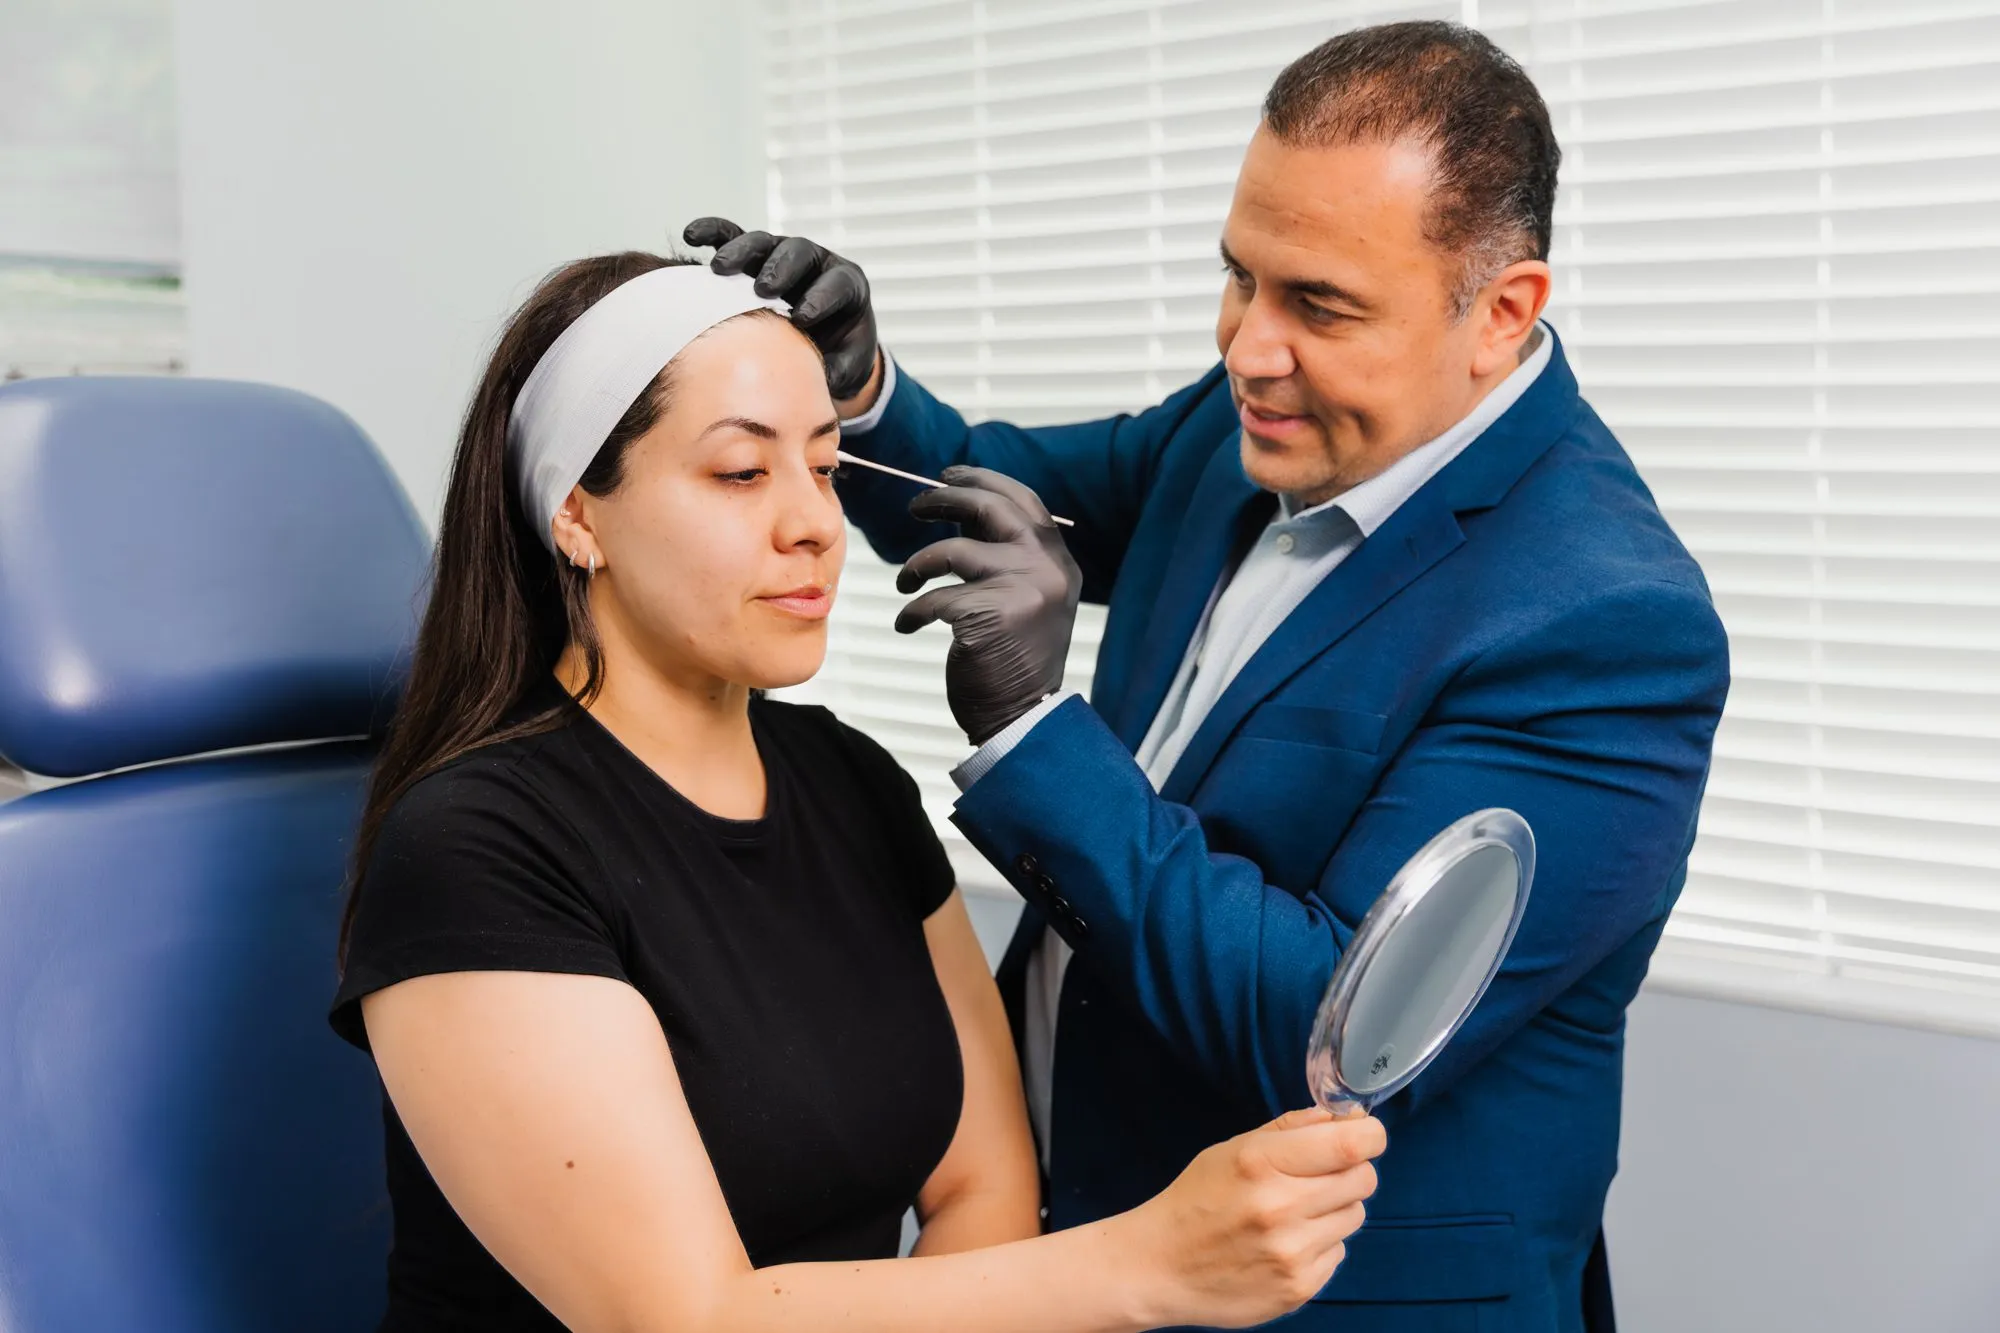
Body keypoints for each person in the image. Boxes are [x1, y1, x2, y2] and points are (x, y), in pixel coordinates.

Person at [686, 19, 1731, 1333]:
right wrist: (867, 389)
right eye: (1241, 277)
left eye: (1320, 304)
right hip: (1088, 1245)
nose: (1248, 346)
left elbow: (1325, 1031)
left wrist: (1030, 727)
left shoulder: (1607, 625)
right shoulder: (1254, 416)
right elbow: (1003, 503)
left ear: (1502, 311)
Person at [329, 251, 1386, 1333]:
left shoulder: (851, 781)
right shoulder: (474, 848)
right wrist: (1148, 1263)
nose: (815, 525)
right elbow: (679, 1317)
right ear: (578, 517)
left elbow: (983, 1188)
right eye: (742, 473)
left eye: (827, 467)